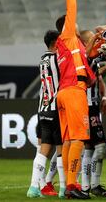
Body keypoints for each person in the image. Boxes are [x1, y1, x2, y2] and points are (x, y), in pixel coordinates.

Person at [55, 0, 96, 199]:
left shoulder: (73, 47)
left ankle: (70, 186)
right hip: (73, 93)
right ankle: (72, 185)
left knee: (70, 139)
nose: (76, 22)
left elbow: (86, 73)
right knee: (79, 138)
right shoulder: (68, 35)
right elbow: (72, 7)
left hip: (65, 91)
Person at [27, 30, 66, 198]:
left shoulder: (42, 59)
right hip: (56, 109)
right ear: (56, 42)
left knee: (43, 149)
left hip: (43, 109)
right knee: (61, 149)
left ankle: (34, 187)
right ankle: (64, 189)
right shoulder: (58, 59)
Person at [79, 30, 106, 197]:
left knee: (90, 147)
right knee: (100, 147)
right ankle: (92, 185)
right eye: (94, 40)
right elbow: (87, 54)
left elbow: (99, 77)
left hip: (92, 106)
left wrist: (105, 97)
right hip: (86, 107)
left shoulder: (92, 60)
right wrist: (96, 37)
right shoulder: (82, 57)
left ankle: (88, 186)